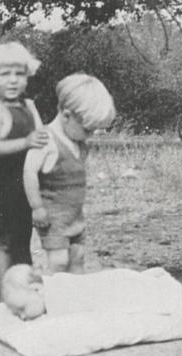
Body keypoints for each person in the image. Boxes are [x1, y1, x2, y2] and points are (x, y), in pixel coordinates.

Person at [23, 74, 116, 274]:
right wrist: (37, 207)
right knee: (58, 260)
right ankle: (55, 298)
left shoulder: (77, 143)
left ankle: (75, 298)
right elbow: (29, 172)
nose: (89, 136)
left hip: (75, 216)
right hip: (53, 217)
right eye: (87, 130)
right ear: (66, 116)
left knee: (78, 256)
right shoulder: (47, 140)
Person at [0, 42, 49, 296]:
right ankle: (4, 292)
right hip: (2, 184)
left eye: (19, 74)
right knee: (3, 242)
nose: (13, 81)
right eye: (5, 74)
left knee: (24, 239)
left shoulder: (29, 106)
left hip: (27, 185)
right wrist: (26, 142)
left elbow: (42, 137)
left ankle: (25, 289)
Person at [1, 264, 182, 321]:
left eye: (22, 309)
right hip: (107, 285)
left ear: (37, 289)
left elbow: (64, 318)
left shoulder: (57, 293)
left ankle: (160, 286)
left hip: (110, 288)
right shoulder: (47, 290)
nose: (23, 317)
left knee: (136, 294)